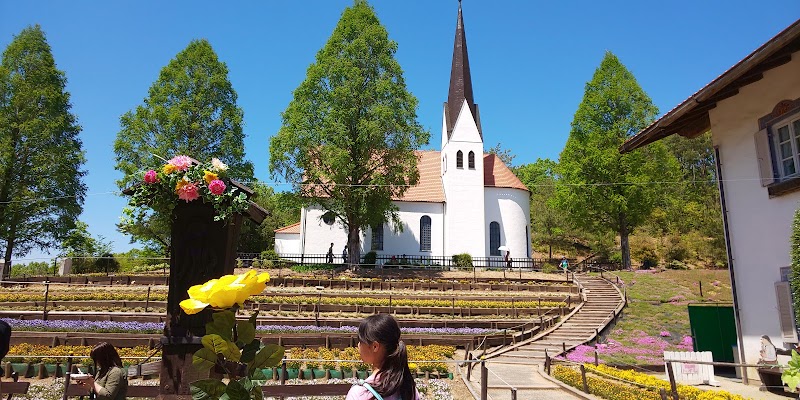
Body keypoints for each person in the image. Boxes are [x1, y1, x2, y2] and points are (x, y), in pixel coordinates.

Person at [346, 314, 420, 400]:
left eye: (361, 341)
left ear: (375, 346)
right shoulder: (409, 390)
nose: (358, 345)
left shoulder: (360, 393)